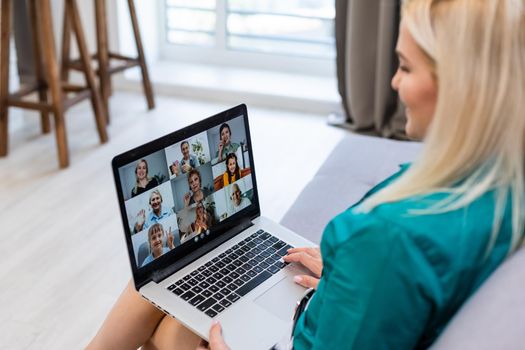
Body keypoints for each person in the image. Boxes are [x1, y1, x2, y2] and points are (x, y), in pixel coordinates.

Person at [87, 1, 525, 349]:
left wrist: (356, 268)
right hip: (328, 305)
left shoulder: (385, 240)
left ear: (463, 85)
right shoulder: (500, 183)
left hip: (299, 334)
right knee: (165, 286)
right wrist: (343, 275)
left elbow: (387, 261)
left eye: (406, 67)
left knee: (163, 309)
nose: (393, 83)